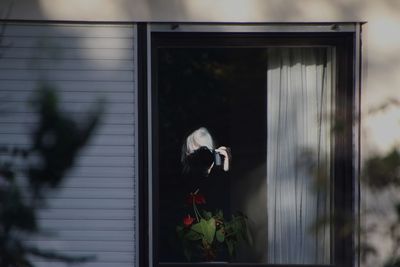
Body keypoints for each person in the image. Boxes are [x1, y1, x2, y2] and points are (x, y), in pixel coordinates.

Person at [181, 127, 231, 217]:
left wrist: (225, 169)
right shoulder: (184, 183)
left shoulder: (219, 177)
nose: (199, 157)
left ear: (214, 152)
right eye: (193, 152)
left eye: (203, 151)